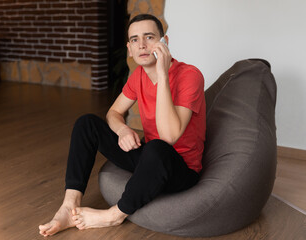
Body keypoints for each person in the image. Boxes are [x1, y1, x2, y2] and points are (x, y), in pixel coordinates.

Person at [39, 13, 206, 237]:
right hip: (149, 159)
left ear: (164, 42)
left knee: (158, 147)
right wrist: (122, 129)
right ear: (129, 48)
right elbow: (114, 112)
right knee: (86, 124)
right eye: (135, 40)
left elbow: (169, 137)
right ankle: (69, 206)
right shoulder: (137, 76)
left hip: (181, 169)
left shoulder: (190, 75)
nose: (142, 45)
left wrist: (162, 75)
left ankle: (114, 215)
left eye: (149, 37)